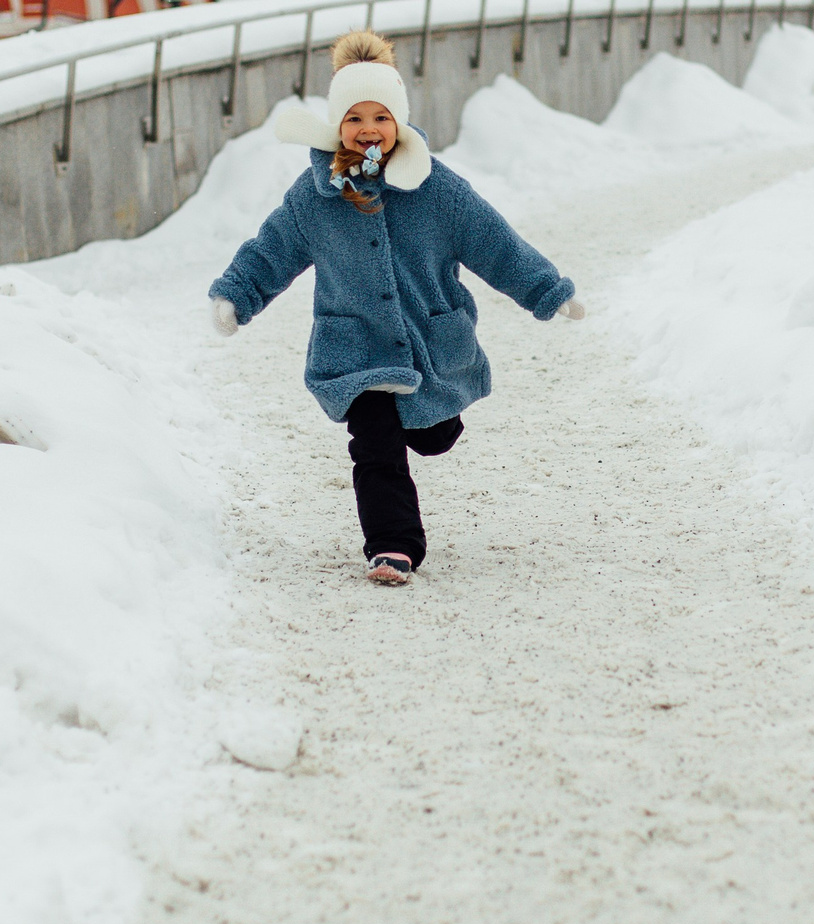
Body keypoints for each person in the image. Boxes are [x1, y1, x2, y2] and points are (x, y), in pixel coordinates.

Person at [209, 31, 585, 585]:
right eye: (354, 118)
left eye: (380, 118)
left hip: (431, 347)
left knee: (432, 436)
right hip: (353, 351)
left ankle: (428, 419)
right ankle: (392, 545)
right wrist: (236, 295)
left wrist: (547, 290)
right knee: (375, 445)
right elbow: (272, 251)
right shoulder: (314, 197)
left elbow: (495, 243)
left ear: (399, 123)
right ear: (338, 125)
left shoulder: (437, 190)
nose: (367, 130)